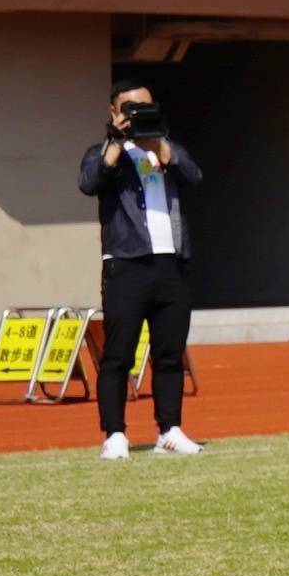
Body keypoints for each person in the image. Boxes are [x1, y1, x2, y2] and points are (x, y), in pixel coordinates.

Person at [79, 84, 202, 459]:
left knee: (169, 353)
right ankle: (114, 435)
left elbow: (194, 176)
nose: (138, 113)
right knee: (119, 355)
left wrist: (158, 146)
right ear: (114, 111)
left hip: (171, 264)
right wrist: (116, 141)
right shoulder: (103, 153)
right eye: (130, 107)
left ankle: (170, 430)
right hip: (126, 265)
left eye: (146, 106)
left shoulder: (167, 149)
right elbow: (90, 182)